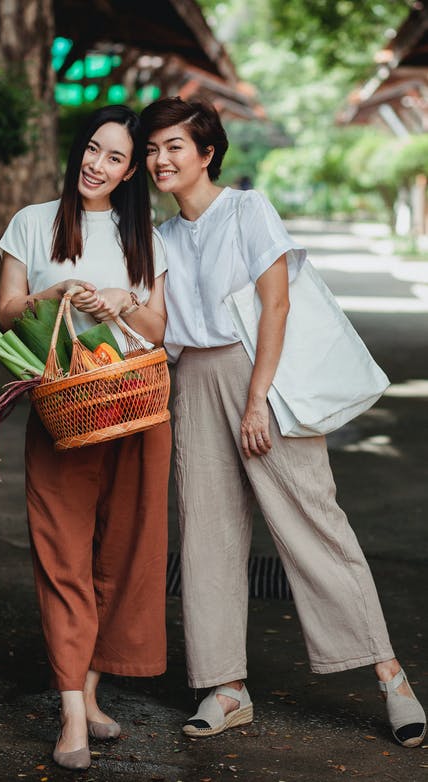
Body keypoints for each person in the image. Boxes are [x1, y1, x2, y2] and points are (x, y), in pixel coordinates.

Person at [140, 97, 426, 747]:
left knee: (313, 522)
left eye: (174, 147)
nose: (160, 160)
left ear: (207, 152)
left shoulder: (247, 209)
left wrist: (257, 398)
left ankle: (391, 677)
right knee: (207, 537)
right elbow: (158, 326)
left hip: (259, 373)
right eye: (153, 149)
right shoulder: (160, 238)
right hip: (191, 380)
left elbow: (277, 304)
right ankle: (225, 687)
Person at [0, 105, 171, 771]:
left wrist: (123, 302)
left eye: (115, 158)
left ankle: (93, 693)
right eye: (92, 150)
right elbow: (8, 310)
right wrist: (57, 294)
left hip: (135, 409)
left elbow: (157, 329)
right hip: (62, 413)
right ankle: (71, 712)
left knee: (125, 556)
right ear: (80, 150)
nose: (97, 165)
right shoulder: (33, 222)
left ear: (130, 173)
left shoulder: (145, 235)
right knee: (61, 554)